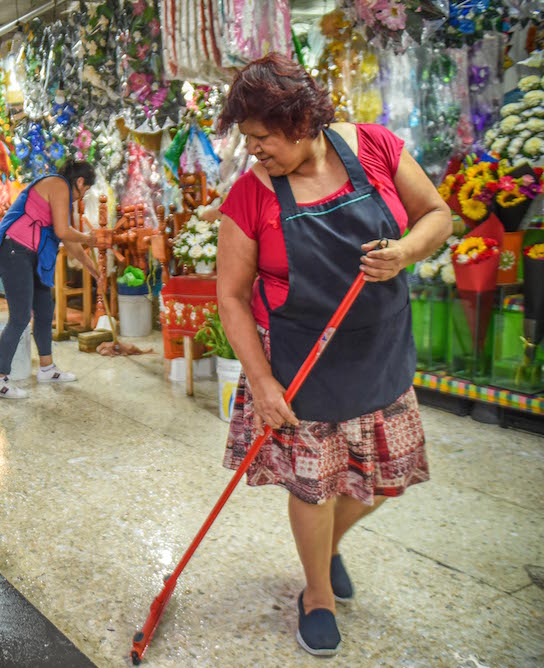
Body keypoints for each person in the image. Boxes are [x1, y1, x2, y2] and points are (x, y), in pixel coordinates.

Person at [210, 55, 452, 656]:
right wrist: (262, 383)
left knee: (378, 484)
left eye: (263, 139)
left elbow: (437, 215)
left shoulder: (373, 148)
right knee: (315, 488)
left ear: (300, 122)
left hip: (381, 350)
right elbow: (232, 298)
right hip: (301, 367)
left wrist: (404, 252)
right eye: (248, 140)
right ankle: (316, 593)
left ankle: (330, 549)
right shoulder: (251, 196)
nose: (254, 152)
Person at [0, 161, 101, 399]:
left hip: (31, 254)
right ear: (80, 182)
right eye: (86, 191)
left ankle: (47, 368)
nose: (82, 197)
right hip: (13, 249)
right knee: (20, 317)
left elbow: (69, 239)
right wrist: (89, 238)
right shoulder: (59, 185)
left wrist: (93, 269)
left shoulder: (63, 195)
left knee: (44, 308)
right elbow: (62, 231)